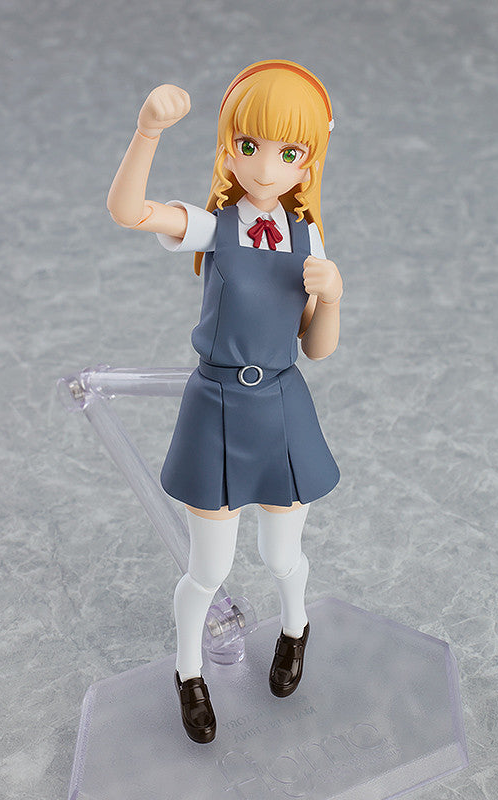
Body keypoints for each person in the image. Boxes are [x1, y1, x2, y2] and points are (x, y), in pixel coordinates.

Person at [107, 60, 343, 744]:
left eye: (288, 152)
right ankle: (189, 672)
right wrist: (148, 131)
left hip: (282, 405)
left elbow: (317, 346)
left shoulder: (307, 238)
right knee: (208, 567)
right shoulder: (214, 228)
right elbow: (128, 211)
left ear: (309, 161)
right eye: (249, 145)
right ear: (229, 147)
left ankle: (295, 628)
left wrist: (333, 295)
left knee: (281, 555)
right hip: (215, 405)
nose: (266, 167)